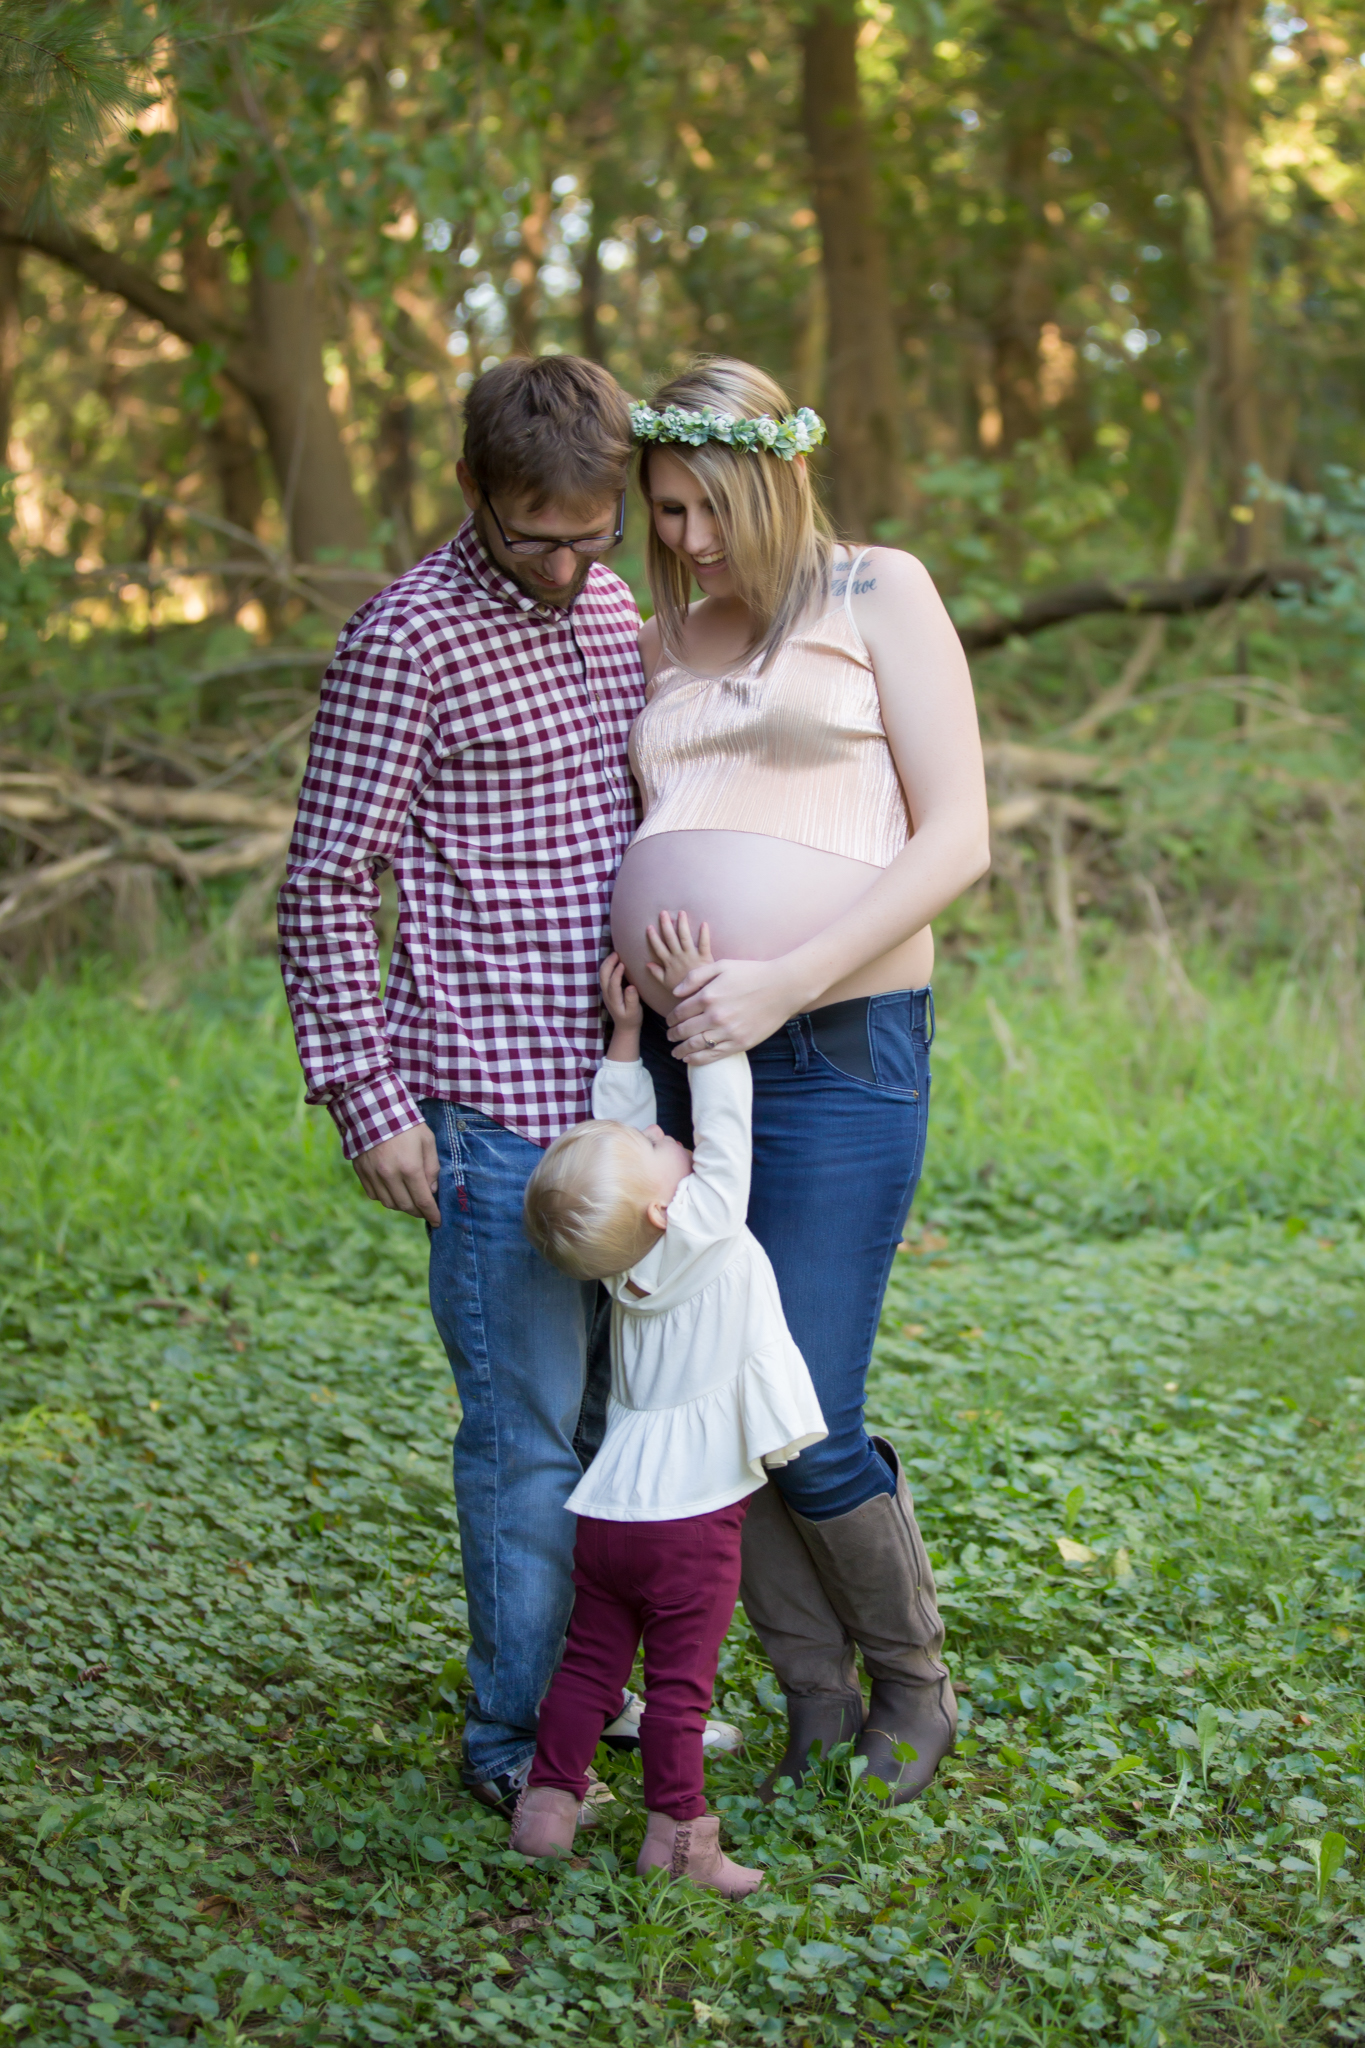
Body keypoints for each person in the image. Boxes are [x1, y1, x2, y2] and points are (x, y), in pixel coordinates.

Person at [277, 355, 733, 1819]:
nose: (570, 562)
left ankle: (591, 1712)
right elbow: (327, 885)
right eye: (538, 534)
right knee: (529, 1437)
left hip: (624, 1105)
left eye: (595, 534)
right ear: (471, 490)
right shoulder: (402, 641)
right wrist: (369, 1099)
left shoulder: (609, 610)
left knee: (629, 1424)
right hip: (482, 1119)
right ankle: (508, 1739)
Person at [608, 358, 991, 1804]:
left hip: (835, 1051)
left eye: (709, 506)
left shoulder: (878, 593)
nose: (690, 538)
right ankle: (814, 1693)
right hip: (691, 1066)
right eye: (665, 510)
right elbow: (663, 815)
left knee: (804, 1402)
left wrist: (786, 976)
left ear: (775, 478)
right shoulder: (659, 637)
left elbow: (955, 840)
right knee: (707, 1388)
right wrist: (624, 973)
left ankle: (911, 1677)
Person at [512, 916, 825, 1892]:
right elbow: (723, 1126)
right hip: (690, 1527)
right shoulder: (705, 1226)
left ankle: (547, 1806)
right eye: (656, 1142)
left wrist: (621, 1047)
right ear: (662, 1205)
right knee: (679, 1692)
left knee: (589, 1668)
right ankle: (680, 1838)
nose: (664, 1132)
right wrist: (702, 1010)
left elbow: (615, 1155)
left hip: (610, 1516)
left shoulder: (623, 1264)